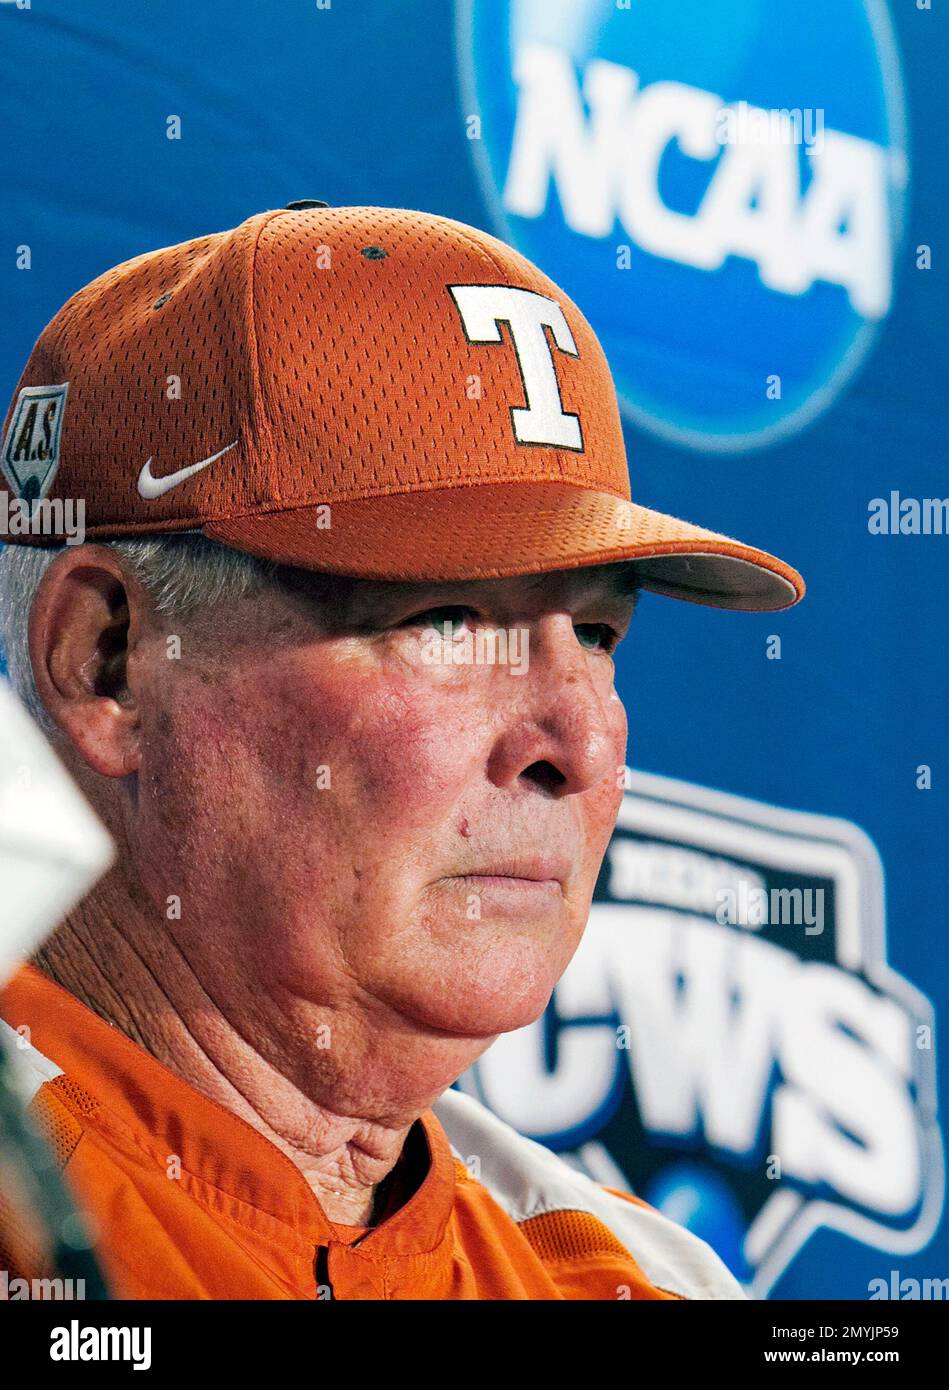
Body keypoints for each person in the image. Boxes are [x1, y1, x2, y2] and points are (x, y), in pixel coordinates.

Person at [0, 202, 803, 1300]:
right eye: (449, 622)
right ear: (109, 661)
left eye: (599, 635)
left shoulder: (643, 1280)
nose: (574, 744)